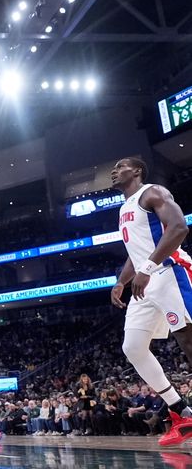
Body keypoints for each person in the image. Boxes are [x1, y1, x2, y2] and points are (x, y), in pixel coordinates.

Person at [110, 157, 192, 446]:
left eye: (121, 166)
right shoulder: (123, 209)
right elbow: (136, 252)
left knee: (188, 339)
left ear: (137, 171)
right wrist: (122, 280)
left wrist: (145, 269)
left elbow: (179, 228)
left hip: (170, 272)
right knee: (132, 347)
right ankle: (182, 413)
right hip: (145, 281)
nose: (114, 171)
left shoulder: (153, 192)